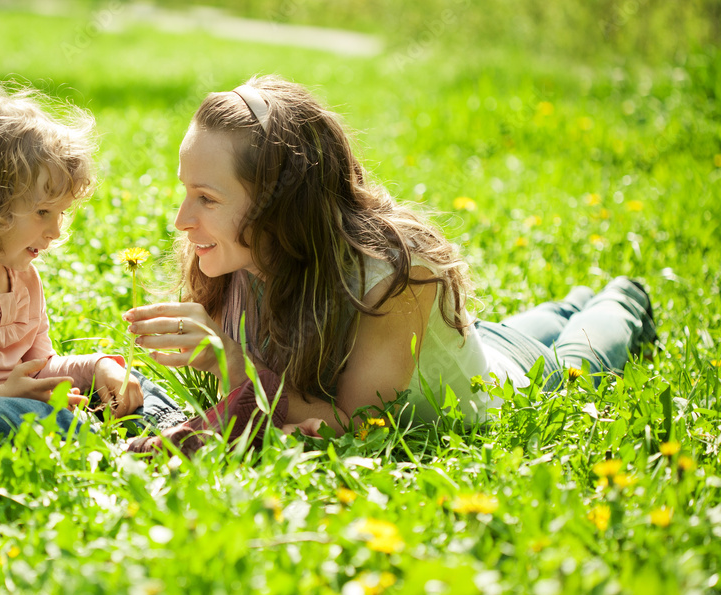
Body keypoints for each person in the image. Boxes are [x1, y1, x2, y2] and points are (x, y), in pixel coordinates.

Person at [123, 75, 656, 453]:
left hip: (492, 391)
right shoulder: (237, 258)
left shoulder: (395, 279)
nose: (181, 221)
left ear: (277, 205)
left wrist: (228, 360)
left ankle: (624, 297)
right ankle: (572, 302)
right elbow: (272, 405)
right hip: (474, 344)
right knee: (520, 330)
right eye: (185, 192)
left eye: (206, 199)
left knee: (574, 357)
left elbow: (357, 427)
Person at [0, 82, 182, 462]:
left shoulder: (23, 278)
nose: (55, 231)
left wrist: (98, 366)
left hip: (14, 405)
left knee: (124, 379)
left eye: (61, 214)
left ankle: (176, 432)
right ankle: (111, 452)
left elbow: (41, 368)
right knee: (7, 414)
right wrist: (0, 393)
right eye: (43, 212)